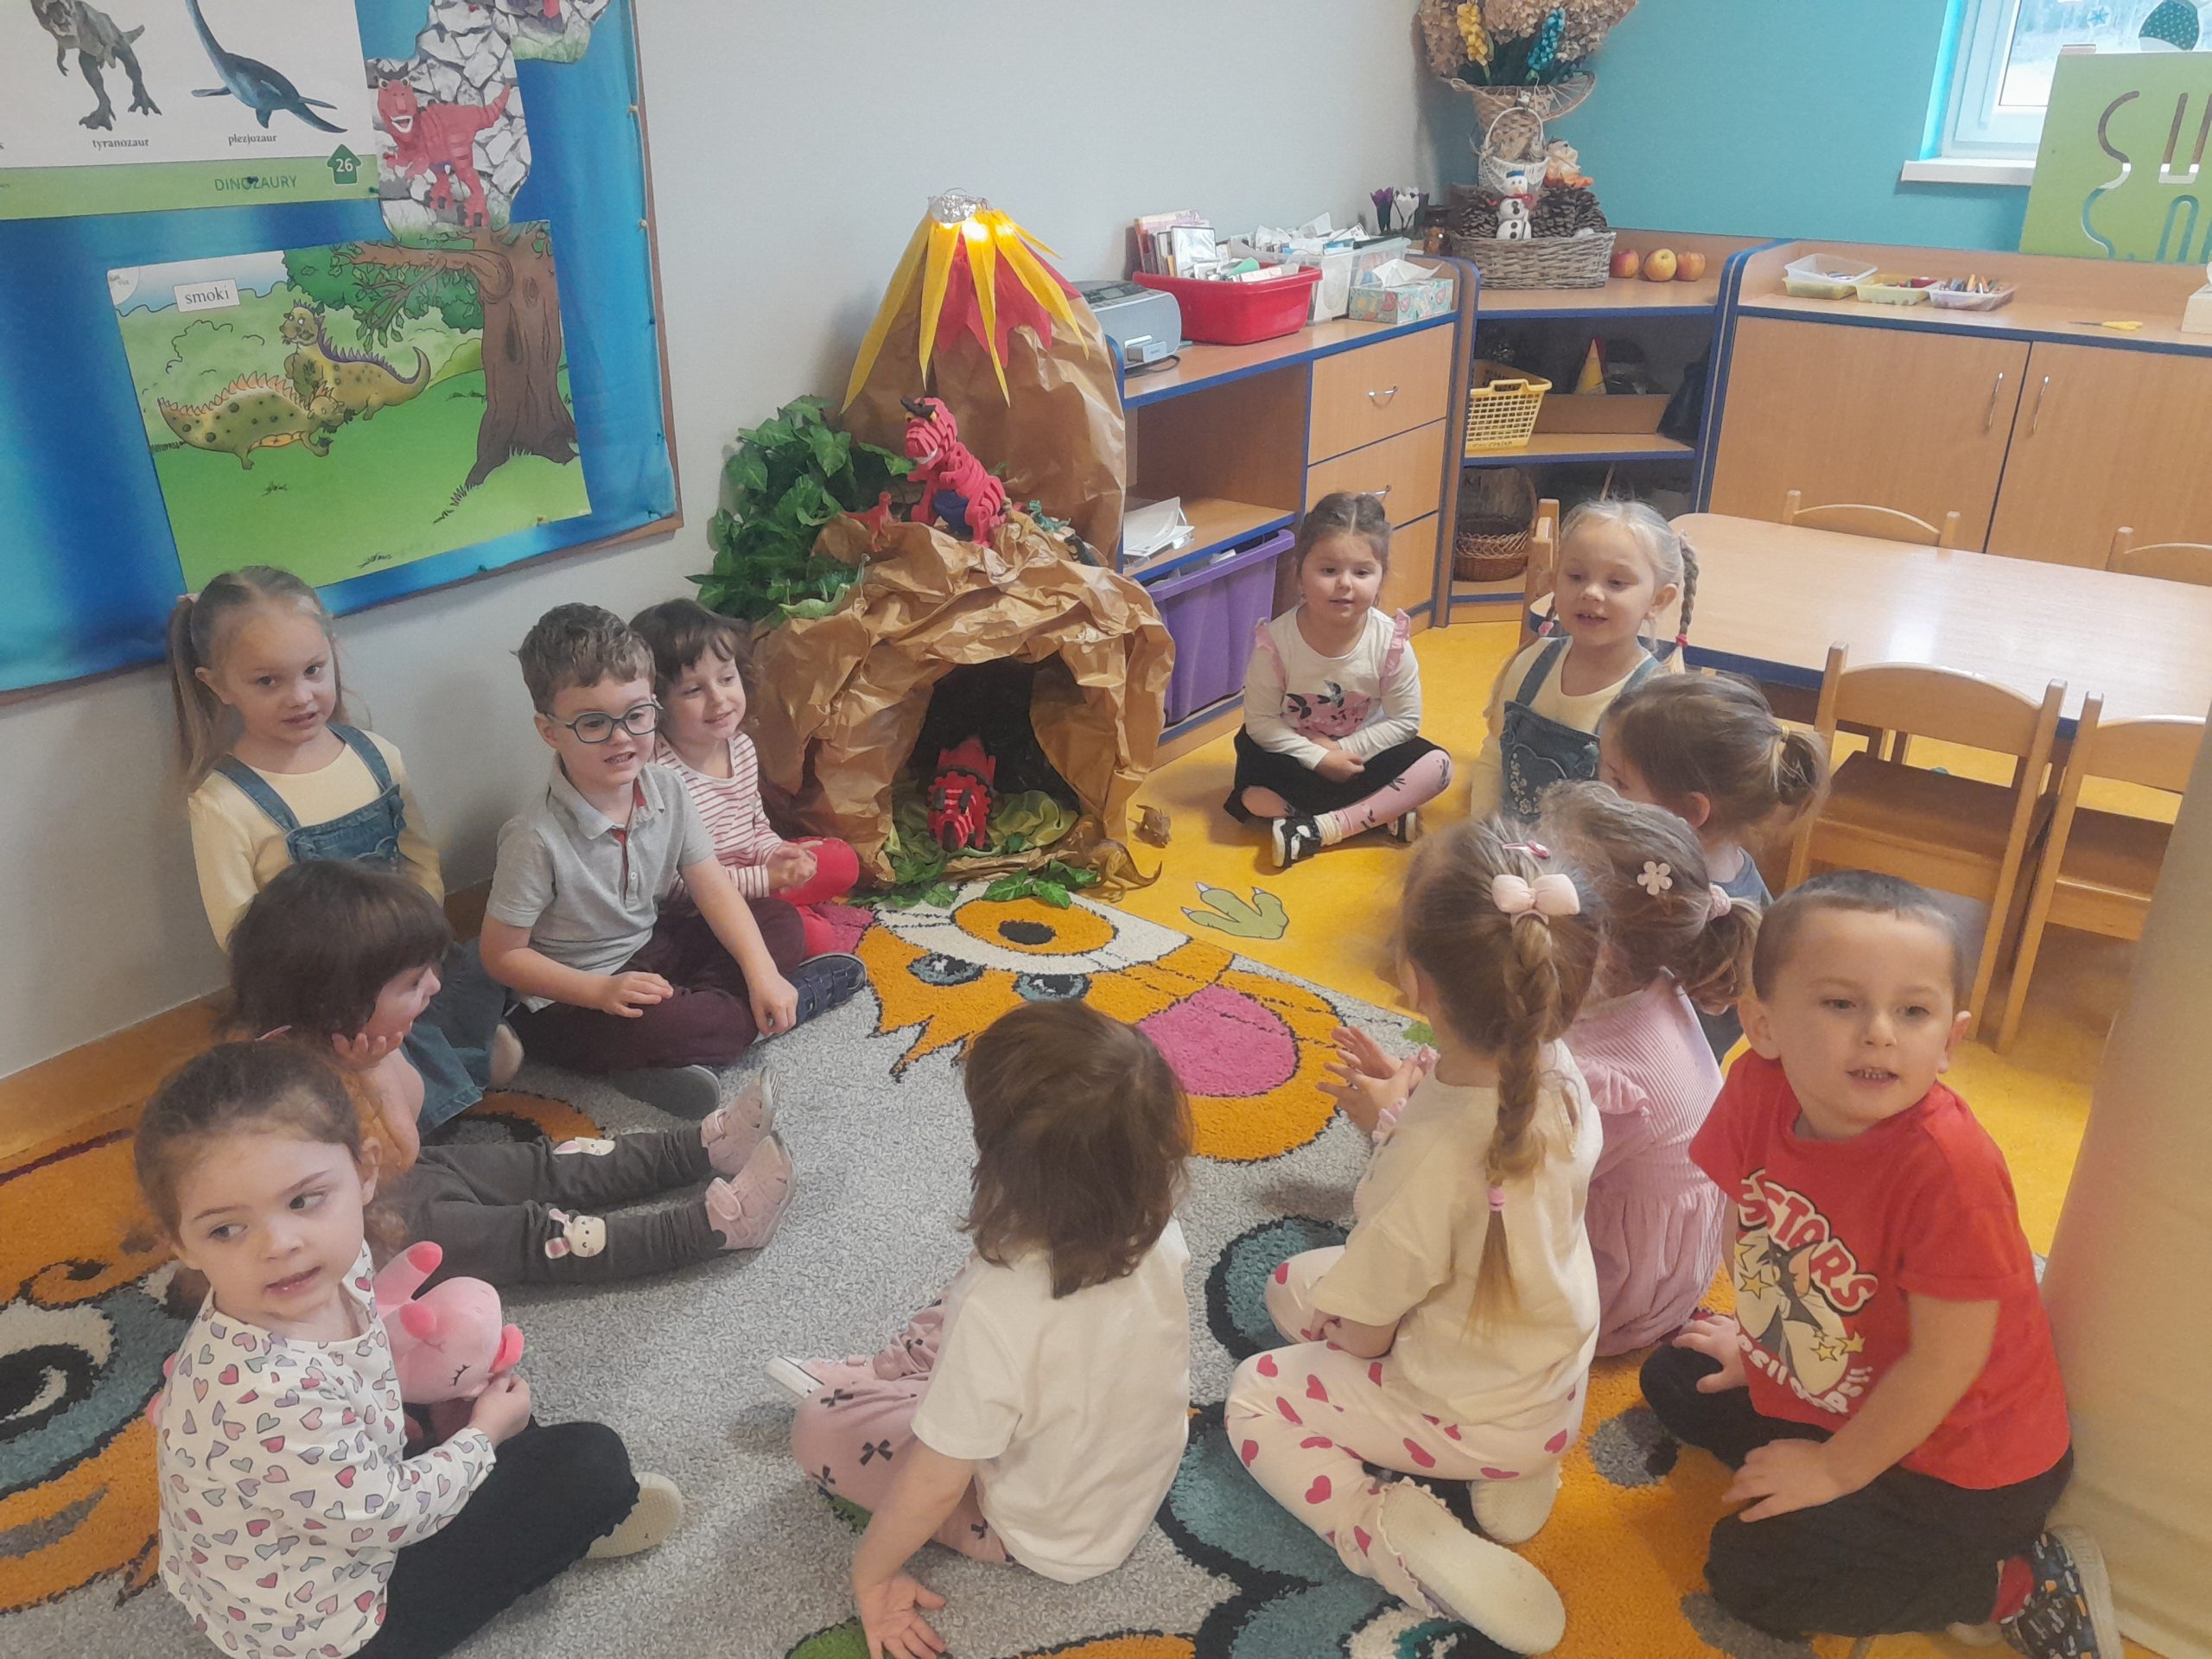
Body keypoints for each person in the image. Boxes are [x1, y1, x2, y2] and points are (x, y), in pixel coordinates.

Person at [1643, 873, 2117, 1657]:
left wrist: (1835, 1470)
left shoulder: (1950, 1170)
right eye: (1841, 1003)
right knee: (1677, 1374)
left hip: (1963, 1467)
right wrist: (1763, 1351)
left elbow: (1946, 1362)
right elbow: (1752, 1225)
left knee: (1750, 1571)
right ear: (1763, 1024)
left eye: (1914, 1012)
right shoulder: (1757, 1085)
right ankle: (1827, 1494)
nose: (1880, 1034)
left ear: (1951, 1041)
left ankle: (2011, 1584)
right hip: (1844, 1384)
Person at [139, 1040, 680, 1659]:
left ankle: (517, 1481)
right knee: (591, 1462)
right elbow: (390, 1515)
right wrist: (482, 1437)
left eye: (303, 1200)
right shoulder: (270, 1391)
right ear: (179, 1242)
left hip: (313, 1518)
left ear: (365, 1172)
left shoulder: (319, 1275)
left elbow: (357, 1371)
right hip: (341, 1633)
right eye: (227, 1229)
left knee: (467, 1378)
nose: (279, 1245)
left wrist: (445, 1415)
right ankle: (567, 1522)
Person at [1234, 823, 1602, 1656]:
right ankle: (1518, 1463)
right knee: (1298, 1287)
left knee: (1260, 1388)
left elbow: (1367, 1332)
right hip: (1551, 1378)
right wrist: (1402, 1109)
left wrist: (1395, 1138)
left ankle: (1389, 1534)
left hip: (1463, 1402)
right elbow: (1474, 1186)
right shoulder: (1558, 1072)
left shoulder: (1428, 1160)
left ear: (1413, 978)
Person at [772, 1002, 1191, 1659]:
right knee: (968, 1299)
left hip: (1036, 1534)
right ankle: (897, 1378)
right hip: (1121, 1476)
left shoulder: (999, 1305)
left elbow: (935, 1485)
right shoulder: (1157, 1228)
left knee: (819, 1424)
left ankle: (883, 1383)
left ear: (1006, 1164)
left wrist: (872, 1576)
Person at [231, 861, 795, 1281]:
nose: (434, 986)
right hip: (383, 1231)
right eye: (413, 982)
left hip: (409, 1177)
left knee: (543, 1165)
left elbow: (417, 1108)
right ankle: (711, 1229)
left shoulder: (349, 1033)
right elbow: (400, 1151)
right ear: (341, 1002)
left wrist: (381, 1058)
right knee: (544, 1237)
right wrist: (374, 1068)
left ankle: (698, 1149)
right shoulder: (285, 1087)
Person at [480, 604, 866, 1120]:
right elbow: (502, 957)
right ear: (550, 731)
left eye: (637, 715)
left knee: (777, 922)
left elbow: (714, 888)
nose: (622, 737)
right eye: (593, 723)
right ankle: (776, 1005)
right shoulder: (533, 838)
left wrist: (759, 973)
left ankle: (705, 1035)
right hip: (576, 998)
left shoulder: (666, 786)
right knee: (675, 1023)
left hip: (652, 945)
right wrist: (600, 990)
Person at [168, 566, 514, 1131]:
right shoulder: (224, 802)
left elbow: (419, 857)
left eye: (313, 670)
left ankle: (458, 1053)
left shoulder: (376, 755)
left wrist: (419, 941)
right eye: (268, 682)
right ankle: (444, 1086)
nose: (300, 696)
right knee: (354, 1079)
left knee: (485, 962)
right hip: (325, 997)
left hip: (407, 962)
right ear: (219, 686)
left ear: (333, 652)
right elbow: (241, 934)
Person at [1538, 782, 1755, 1353]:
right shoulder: (1649, 981)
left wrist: (1394, 1118)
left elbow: (1514, 1176)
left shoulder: (1602, 1078)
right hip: (1665, 1261)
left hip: (1614, 1296)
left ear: (1600, 950)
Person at [1598, 671, 1827, 1059]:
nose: (1600, 791)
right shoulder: (1739, 878)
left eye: (1619, 783)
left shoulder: (1669, 907)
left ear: (1690, 811)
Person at [1227, 492, 1452, 869]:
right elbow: (1261, 722)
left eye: (1362, 573)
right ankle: (1378, 813)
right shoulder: (1276, 642)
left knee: (1438, 766)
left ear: (1381, 577)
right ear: (1300, 573)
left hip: (1363, 757)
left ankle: (1323, 828)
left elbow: (1405, 721)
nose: (1345, 584)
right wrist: (1318, 757)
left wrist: (1342, 750)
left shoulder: (1390, 641)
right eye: (1329, 571)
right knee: (1253, 798)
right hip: (1298, 755)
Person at [630, 598, 861, 958]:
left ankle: (784, 902)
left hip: (752, 874)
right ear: (656, 704)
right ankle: (781, 912)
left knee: (842, 861)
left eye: (726, 678)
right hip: (703, 908)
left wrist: (776, 851)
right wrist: (766, 880)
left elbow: (755, 826)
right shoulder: (659, 777)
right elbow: (671, 885)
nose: (719, 699)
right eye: (693, 690)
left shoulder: (740, 746)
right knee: (816, 939)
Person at [1465, 499, 1692, 823]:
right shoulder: (1531, 662)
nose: (1591, 592)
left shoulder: (1652, 699)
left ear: (1658, 600)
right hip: (1508, 846)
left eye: (1616, 583)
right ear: (1554, 582)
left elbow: (1648, 819)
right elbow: (1493, 755)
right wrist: (1484, 831)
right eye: (1576, 576)